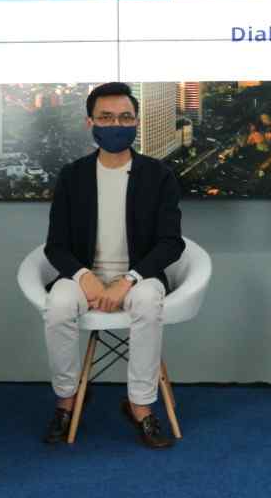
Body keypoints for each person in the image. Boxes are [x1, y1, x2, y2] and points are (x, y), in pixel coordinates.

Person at [42, 81, 185, 449]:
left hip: (140, 276)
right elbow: (55, 246)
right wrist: (84, 277)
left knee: (148, 303)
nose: (116, 124)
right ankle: (67, 399)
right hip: (84, 274)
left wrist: (129, 279)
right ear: (90, 122)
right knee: (58, 306)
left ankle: (141, 406)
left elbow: (171, 242)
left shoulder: (158, 175)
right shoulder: (73, 176)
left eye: (124, 117)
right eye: (106, 117)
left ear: (136, 122)